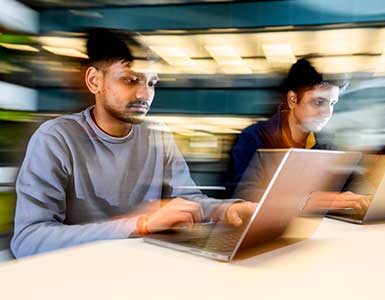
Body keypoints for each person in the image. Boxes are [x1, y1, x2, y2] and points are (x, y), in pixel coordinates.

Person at [10, 28, 255, 258]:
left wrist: (226, 210)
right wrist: (140, 225)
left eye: (151, 83)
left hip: (145, 270)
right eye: (130, 80)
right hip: (81, 277)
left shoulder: (158, 136)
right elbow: (28, 240)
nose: (144, 95)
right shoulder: (55, 139)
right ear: (95, 81)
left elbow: (187, 201)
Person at [227, 58, 369, 212]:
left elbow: (346, 189)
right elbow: (243, 196)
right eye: (318, 102)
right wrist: (310, 201)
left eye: (332, 103)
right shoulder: (253, 138)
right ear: (293, 100)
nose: (328, 113)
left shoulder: (326, 146)